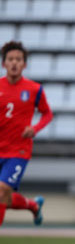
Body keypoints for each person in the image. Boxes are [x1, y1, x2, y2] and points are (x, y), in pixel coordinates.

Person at [0, 41, 52, 227]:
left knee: (1, 191)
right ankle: (33, 206)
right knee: (3, 197)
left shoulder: (34, 89)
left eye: (18, 59)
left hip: (18, 151)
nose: (14, 63)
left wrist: (35, 129)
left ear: (24, 64)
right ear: (4, 63)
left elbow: (47, 113)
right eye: (10, 59)